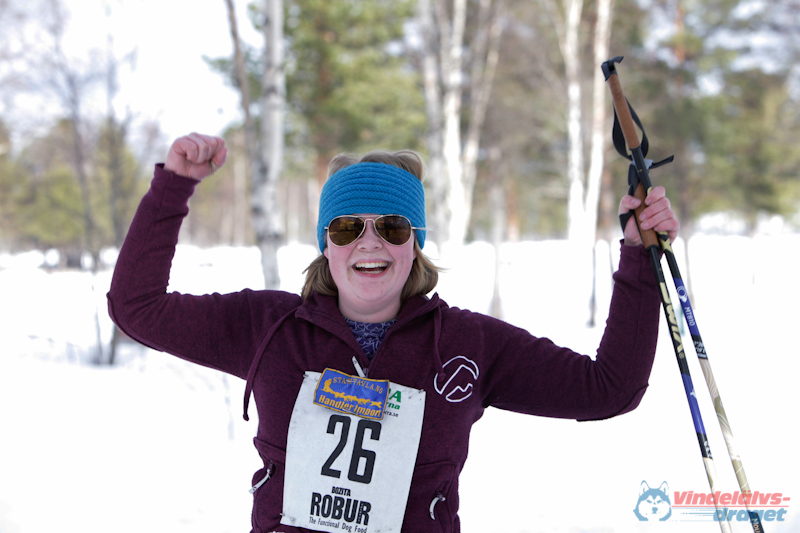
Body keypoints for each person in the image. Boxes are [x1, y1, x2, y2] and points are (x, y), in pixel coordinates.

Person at [107, 132, 679, 533]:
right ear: (325, 242)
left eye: (393, 226)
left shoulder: (467, 345)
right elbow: (136, 306)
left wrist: (637, 256)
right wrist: (174, 186)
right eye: (348, 226)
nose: (370, 242)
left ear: (416, 241)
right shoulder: (268, 328)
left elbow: (610, 388)